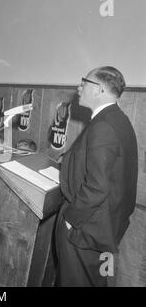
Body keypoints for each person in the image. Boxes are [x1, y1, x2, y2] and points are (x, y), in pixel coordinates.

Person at [56, 66, 138, 287]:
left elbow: (97, 186)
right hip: (103, 228)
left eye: (84, 82)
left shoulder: (103, 125)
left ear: (100, 89)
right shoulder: (118, 120)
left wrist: (71, 220)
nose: (78, 87)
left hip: (86, 230)